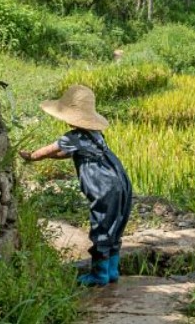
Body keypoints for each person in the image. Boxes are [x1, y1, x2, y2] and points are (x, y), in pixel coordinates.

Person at [20, 85, 134, 287]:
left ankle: (99, 275)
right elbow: (66, 153)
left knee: (102, 224)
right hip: (120, 180)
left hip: (104, 185)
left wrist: (30, 156)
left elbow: (47, 151)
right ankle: (112, 270)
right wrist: (53, 157)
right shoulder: (96, 134)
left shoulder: (72, 138)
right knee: (115, 225)